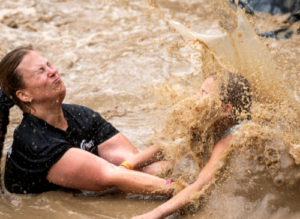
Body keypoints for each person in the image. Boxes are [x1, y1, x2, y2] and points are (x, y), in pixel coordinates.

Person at [0, 45, 176, 195]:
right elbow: (113, 176)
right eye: (41, 71)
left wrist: (183, 162)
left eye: (49, 65)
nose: (53, 71)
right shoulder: (36, 142)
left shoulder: (81, 115)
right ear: (24, 95)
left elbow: (133, 164)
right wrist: (176, 188)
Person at [129, 72, 252, 218]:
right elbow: (168, 146)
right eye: (199, 91)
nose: (195, 97)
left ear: (225, 109)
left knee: (166, 174)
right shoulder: (210, 119)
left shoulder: (231, 138)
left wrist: (154, 214)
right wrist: (126, 166)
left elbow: (201, 184)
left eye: (203, 93)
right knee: (156, 168)